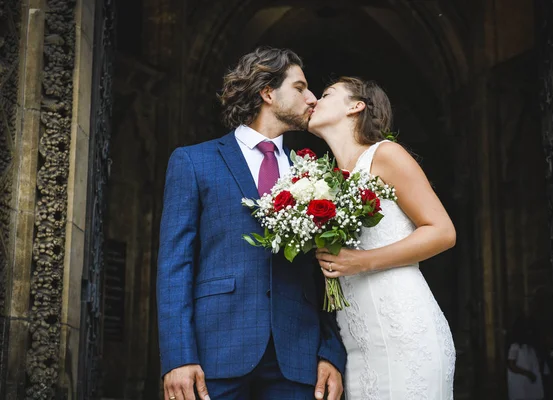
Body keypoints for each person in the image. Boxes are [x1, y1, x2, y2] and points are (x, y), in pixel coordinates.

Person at [156, 47, 346, 400]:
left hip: (299, 358)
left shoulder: (314, 173)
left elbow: (330, 270)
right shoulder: (193, 162)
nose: (312, 98)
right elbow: (174, 266)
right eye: (300, 87)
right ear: (268, 92)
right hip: (215, 354)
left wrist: (330, 352)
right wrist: (178, 356)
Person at [308, 77, 456, 399]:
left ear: (356, 106)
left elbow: (443, 232)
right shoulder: (323, 181)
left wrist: (361, 261)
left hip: (404, 330)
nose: (313, 101)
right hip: (357, 342)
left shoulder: (385, 154)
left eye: (326, 94)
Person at [506, 317, 548, 400]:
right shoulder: (515, 347)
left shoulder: (530, 346)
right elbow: (512, 365)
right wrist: (528, 373)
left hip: (530, 382)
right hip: (520, 382)